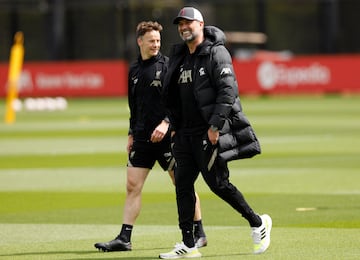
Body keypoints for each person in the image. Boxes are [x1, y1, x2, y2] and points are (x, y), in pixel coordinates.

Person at [159, 7, 272, 259]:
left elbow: (228, 91)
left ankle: (258, 223)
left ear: (201, 24)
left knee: (218, 185)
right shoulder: (179, 56)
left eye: (189, 23)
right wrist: (174, 126)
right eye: (180, 24)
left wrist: (215, 126)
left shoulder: (216, 52)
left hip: (206, 133)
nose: (184, 27)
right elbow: (173, 96)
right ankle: (188, 244)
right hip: (184, 134)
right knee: (183, 187)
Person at [94, 21, 207, 252]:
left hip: (168, 138)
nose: (156, 44)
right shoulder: (134, 70)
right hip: (143, 139)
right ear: (140, 42)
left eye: (158, 41)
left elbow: (179, 101)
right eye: (151, 41)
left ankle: (199, 233)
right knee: (132, 186)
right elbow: (133, 106)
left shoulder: (169, 66)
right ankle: (124, 238)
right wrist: (130, 133)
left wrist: (167, 123)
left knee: (182, 184)